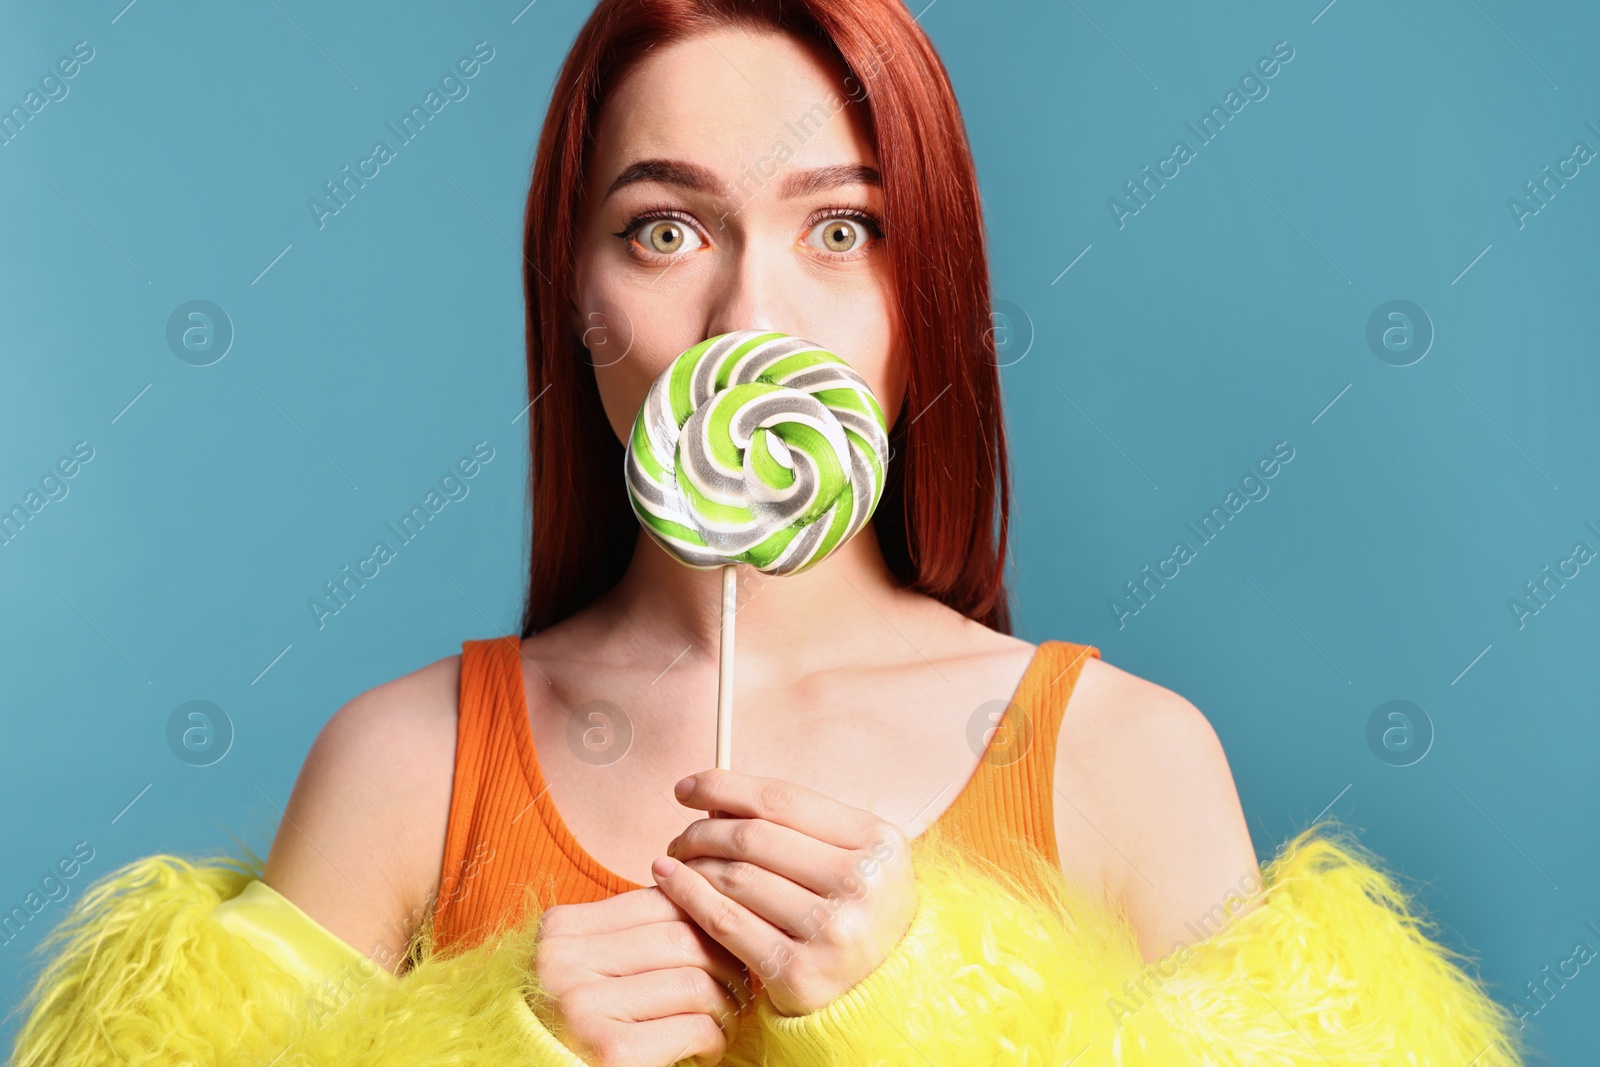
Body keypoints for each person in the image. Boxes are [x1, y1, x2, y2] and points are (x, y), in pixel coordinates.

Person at [10, 2, 1528, 1065]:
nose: (751, 313)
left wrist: (913, 1008)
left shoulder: (1120, 761)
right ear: (577, 297)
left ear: (920, 286)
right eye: (665, 229)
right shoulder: (404, 769)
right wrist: (488, 1049)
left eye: (841, 227)